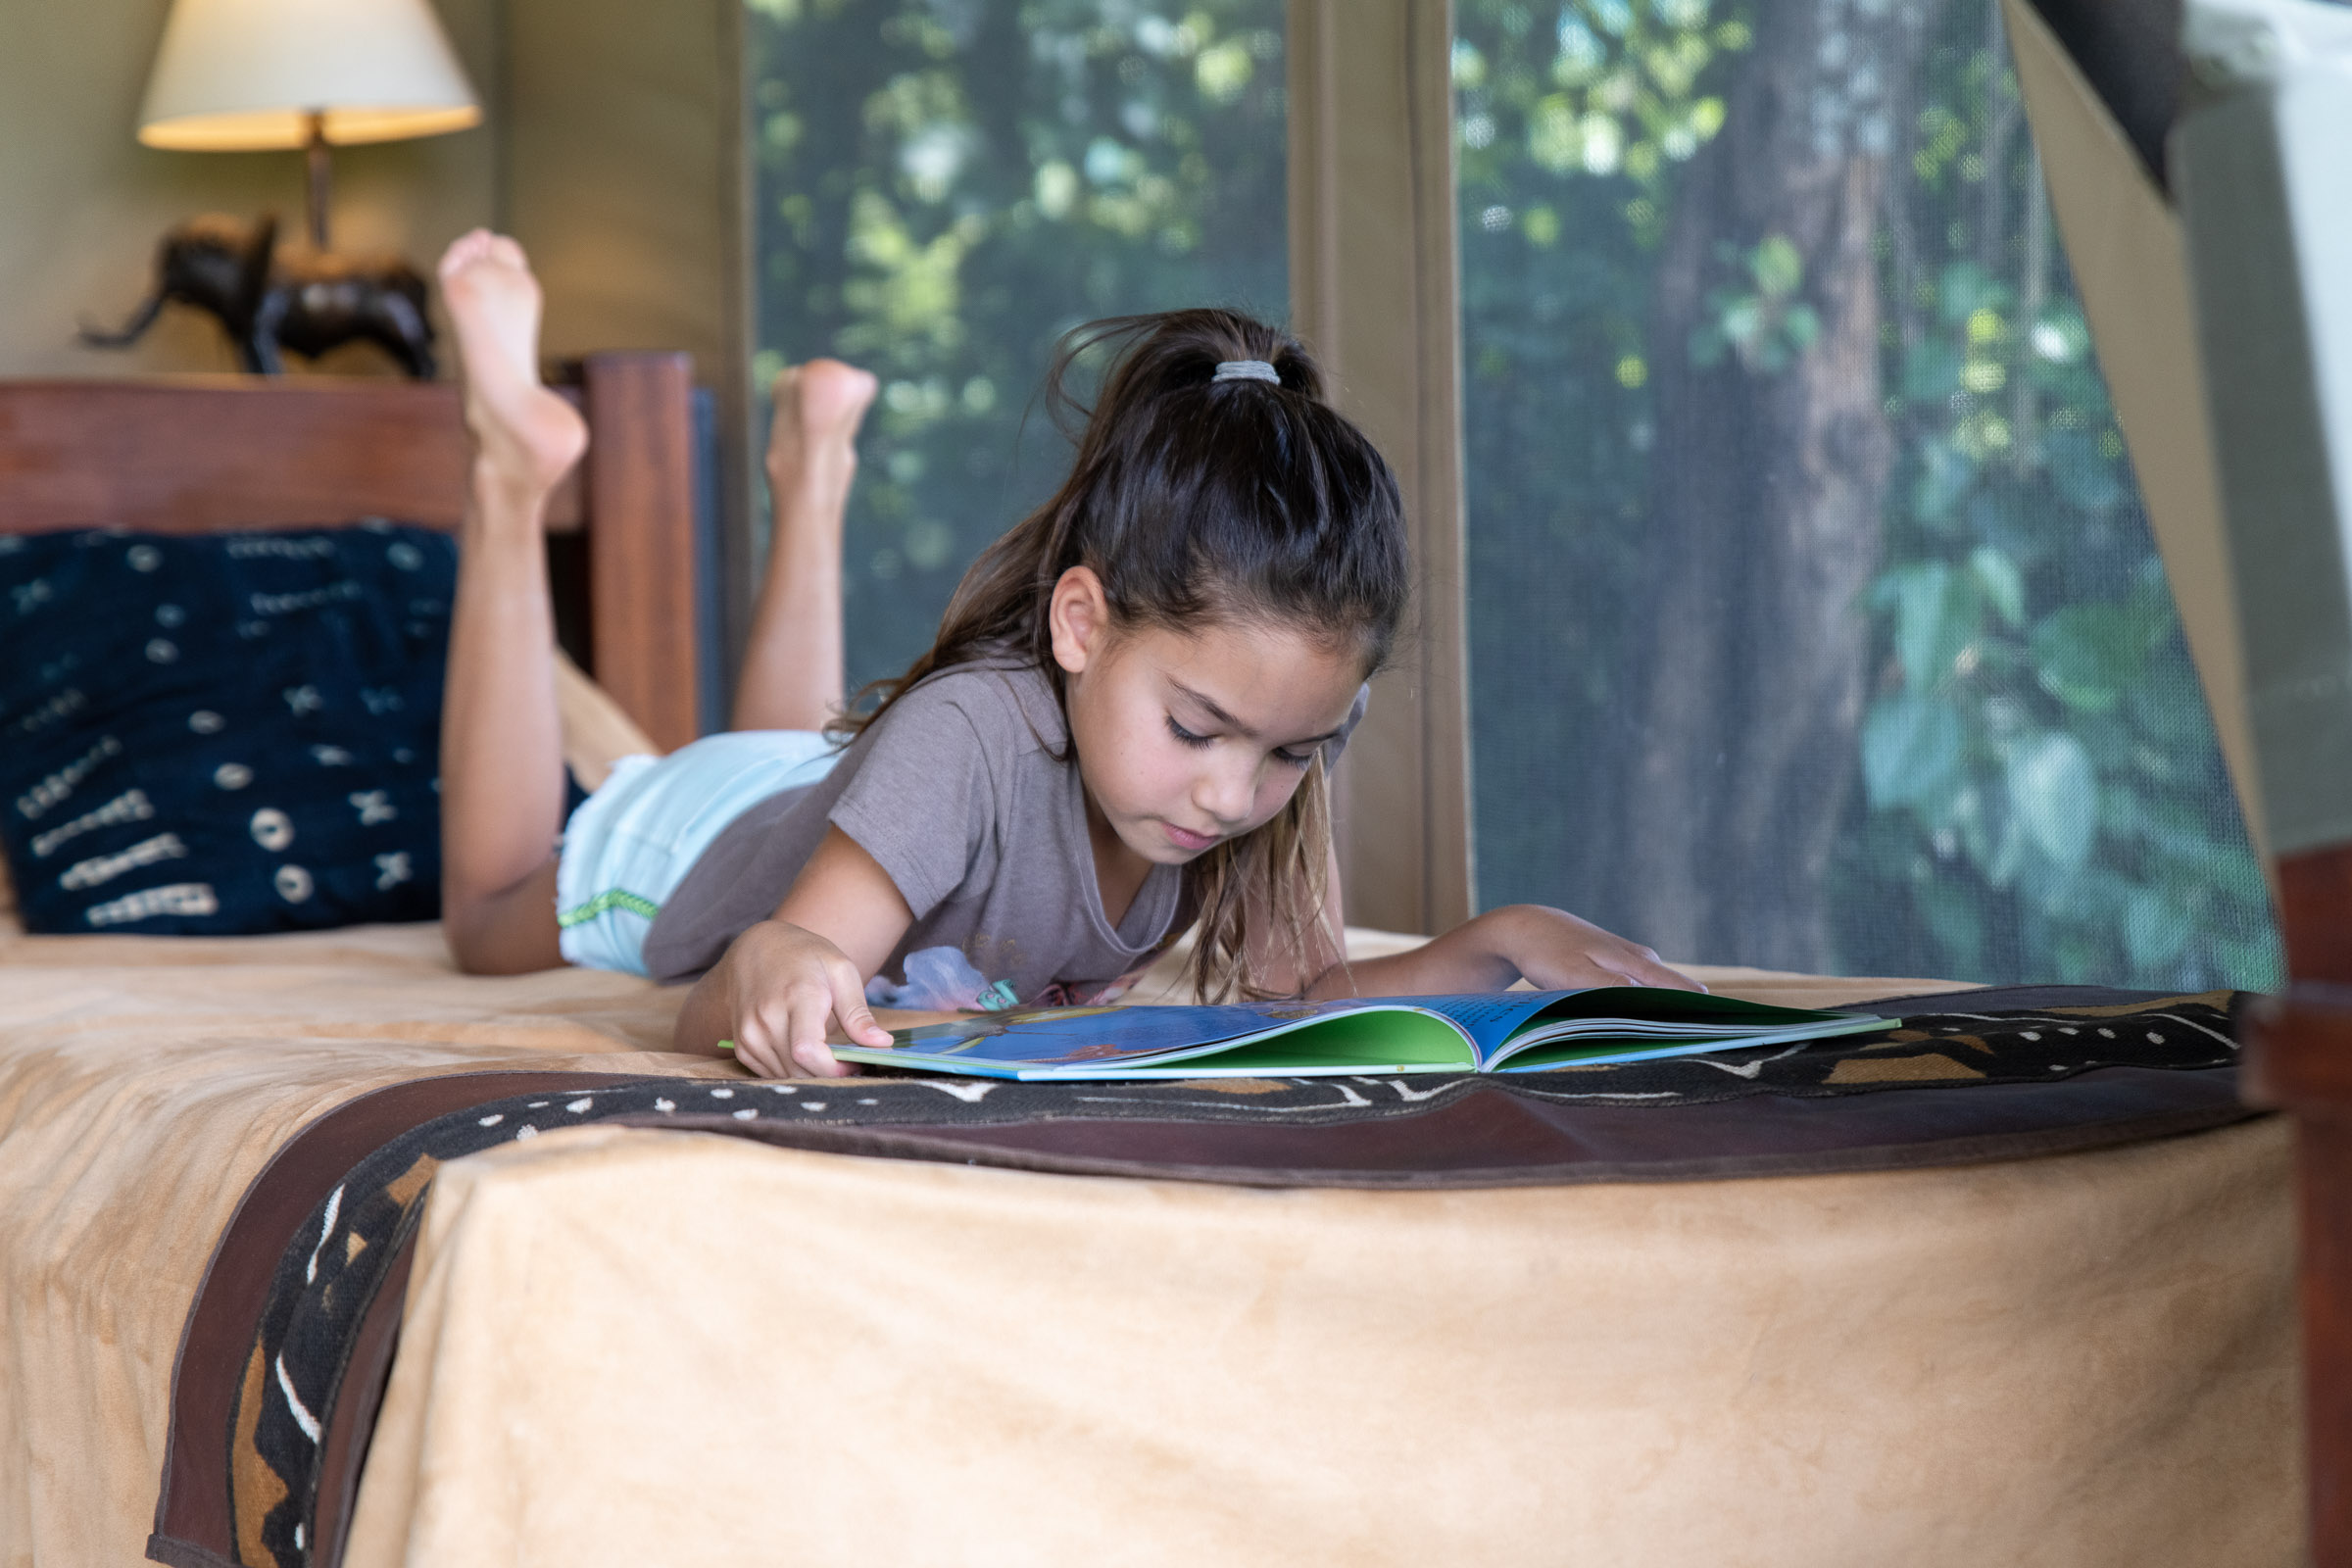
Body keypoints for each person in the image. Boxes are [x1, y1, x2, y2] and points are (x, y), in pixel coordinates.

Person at [433, 228, 1698, 1080]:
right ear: (1081, 625)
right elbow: (750, 991)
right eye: (1197, 731)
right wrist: (767, 961)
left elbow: (1291, 1008)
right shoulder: (965, 741)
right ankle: (511, 473)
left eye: (1291, 752)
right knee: (486, 921)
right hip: (699, 838)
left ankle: (812, 467)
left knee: (809, 751)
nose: (1231, 792)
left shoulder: (1242, 767)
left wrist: (1495, 943)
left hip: (826, 788)